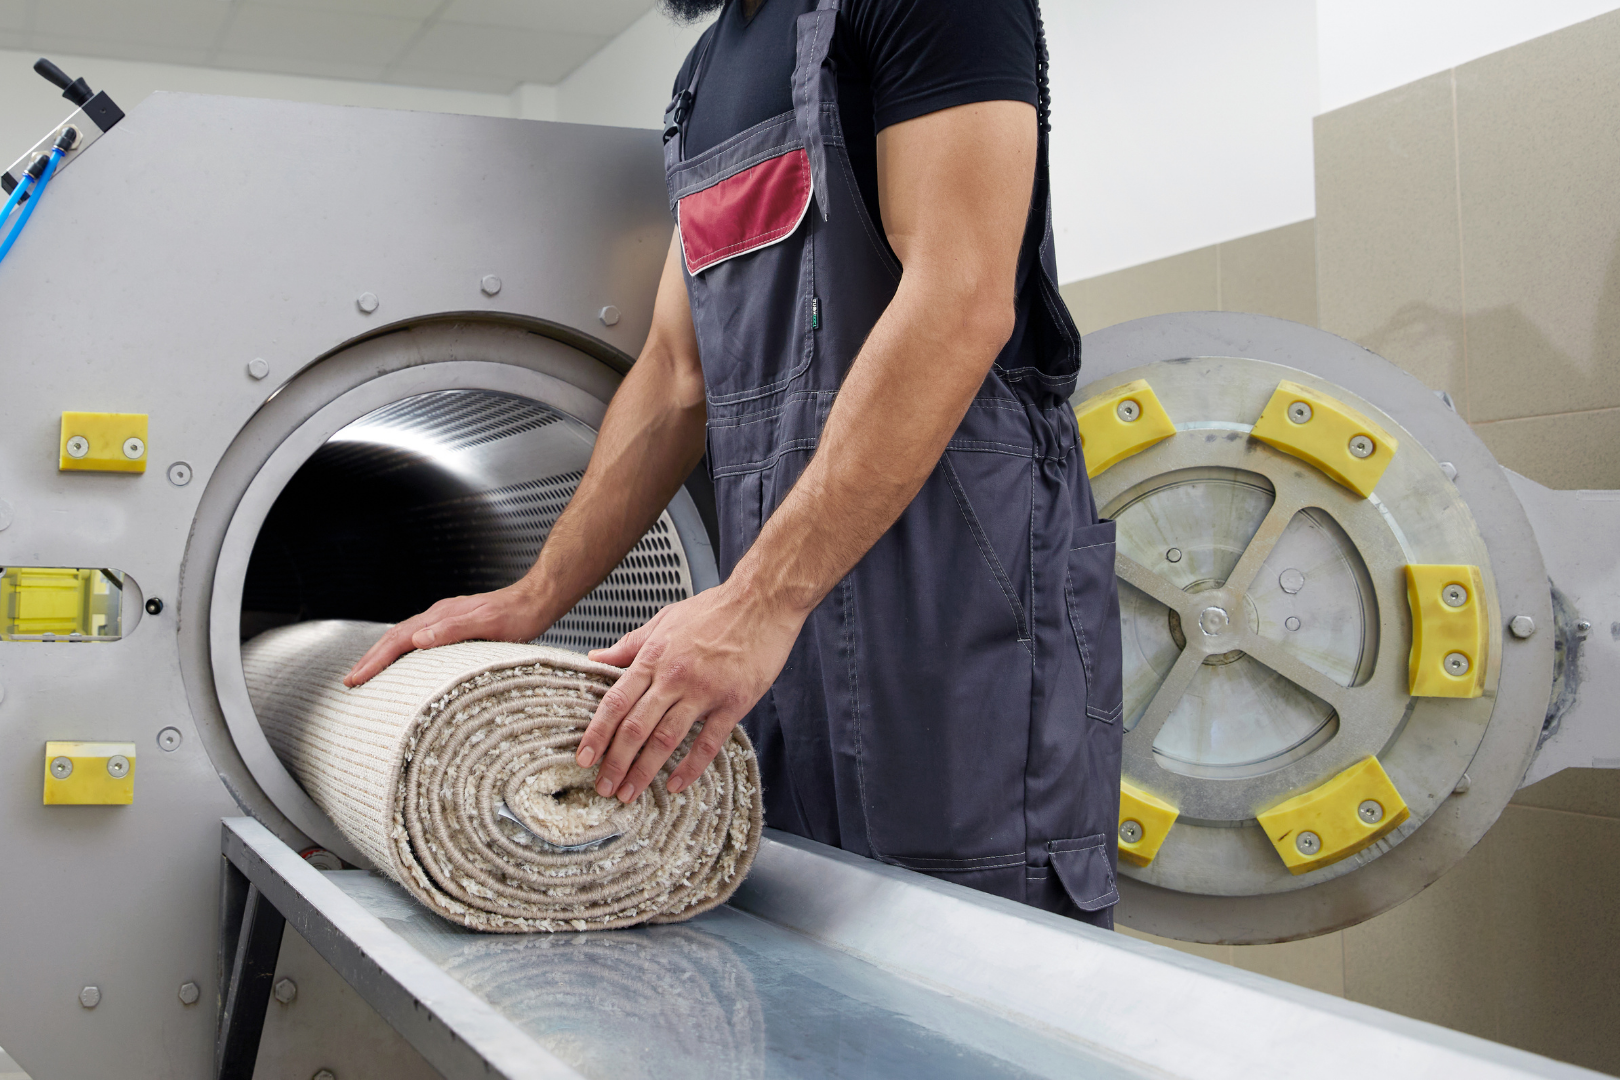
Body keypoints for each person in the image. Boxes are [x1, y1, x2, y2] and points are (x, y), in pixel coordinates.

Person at [346, 0, 1123, 926]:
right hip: (781, 608)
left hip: (954, 607)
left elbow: (960, 299)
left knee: (972, 939)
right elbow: (677, 377)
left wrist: (759, 604)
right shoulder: (711, 67)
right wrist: (531, 597)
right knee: (797, 925)